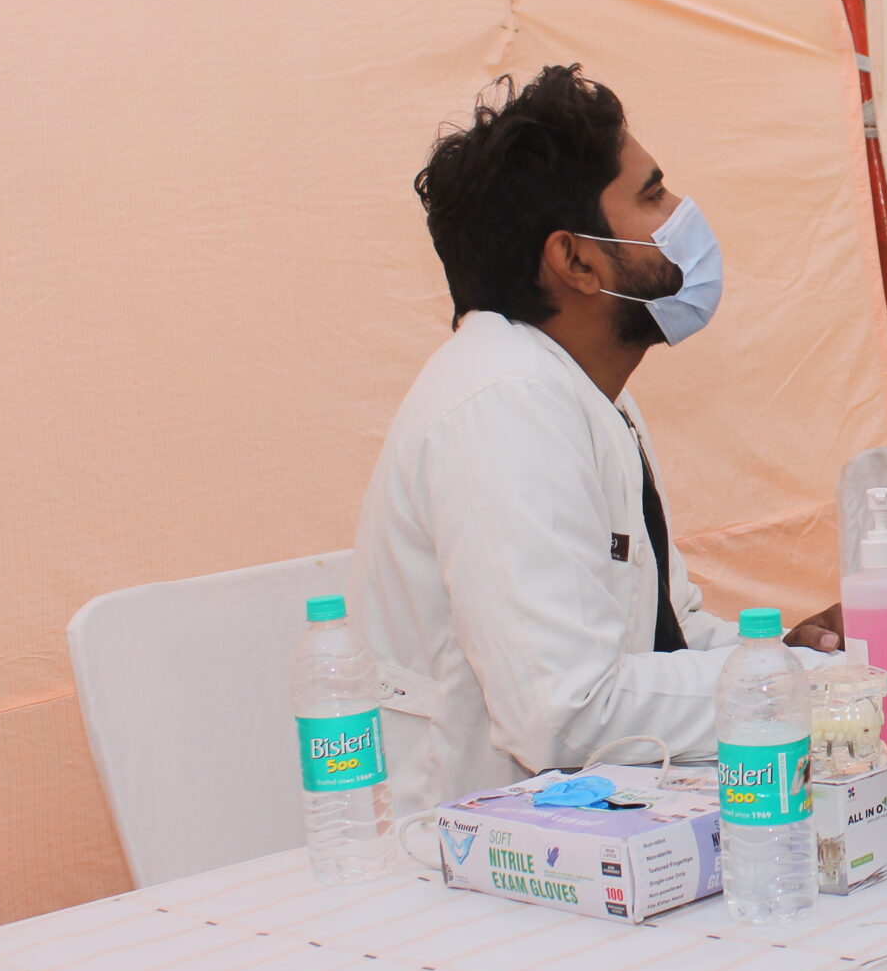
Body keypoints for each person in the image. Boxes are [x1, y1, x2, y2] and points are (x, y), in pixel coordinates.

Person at [349, 67, 834, 817]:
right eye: (652, 196)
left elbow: (663, 636)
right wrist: (789, 686)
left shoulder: (583, 391)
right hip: (475, 870)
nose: (682, 216)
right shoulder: (504, 403)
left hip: (587, 836)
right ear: (575, 259)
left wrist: (776, 655)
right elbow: (564, 716)